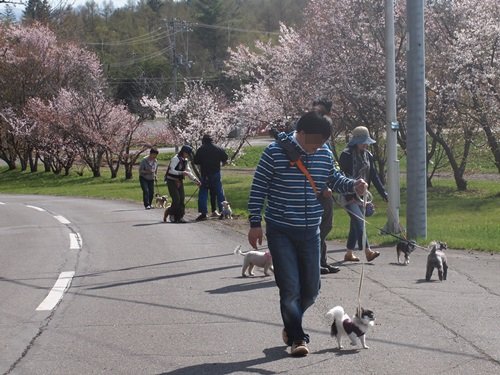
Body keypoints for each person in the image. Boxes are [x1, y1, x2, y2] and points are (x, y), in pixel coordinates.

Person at [247, 111, 368, 357]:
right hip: (280, 229)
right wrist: (254, 222)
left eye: (323, 142)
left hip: (311, 230)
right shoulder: (274, 152)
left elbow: (334, 178)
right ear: (300, 133)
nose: (319, 147)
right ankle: (297, 338)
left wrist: (354, 184)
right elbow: (258, 187)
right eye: (315, 141)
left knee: (312, 289)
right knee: (290, 287)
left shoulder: (323, 153)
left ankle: (291, 324)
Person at [339, 126, 388, 262]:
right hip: (348, 195)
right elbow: (342, 176)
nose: (366, 145)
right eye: (363, 142)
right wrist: (351, 189)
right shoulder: (346, 155)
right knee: (360, 221)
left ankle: (349, 253)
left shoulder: (368, 155)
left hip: (362, 194)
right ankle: (368, 251)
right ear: (356, 141)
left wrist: (383, 193)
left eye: (367, 142)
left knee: (355, 224)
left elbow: (373, 175)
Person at [312, 98, 340, 275]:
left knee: (326, 227)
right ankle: (316, 263)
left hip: (326, 193)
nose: (317, 116)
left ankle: (322, 260)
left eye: (321, 112)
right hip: (313, 193)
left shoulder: (326, 140)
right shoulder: (307, 134)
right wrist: (321, 187)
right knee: (316, 229)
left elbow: (330, 167)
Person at [193, 134, 228, 221]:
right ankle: (223, 212)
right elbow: (225, 157)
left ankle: (203, 213)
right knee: (219, 192)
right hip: (216, 173)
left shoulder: (201, 149)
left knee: (203, 193)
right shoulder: (218, 148)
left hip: (205, 174)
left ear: (203, 141)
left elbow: (196, 161)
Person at [163, 145, 200, 223]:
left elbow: (188, 171)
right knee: (176, 199)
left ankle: (180, 217)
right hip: (171, 180)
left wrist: (195, 180)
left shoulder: (185, 160)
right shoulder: (175, 159)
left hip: (179, 181)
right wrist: (181, 172)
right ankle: (171, 214)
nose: (188, 156)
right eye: (188, 154)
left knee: (182, 199)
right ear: (184, 152)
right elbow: (171, 171)